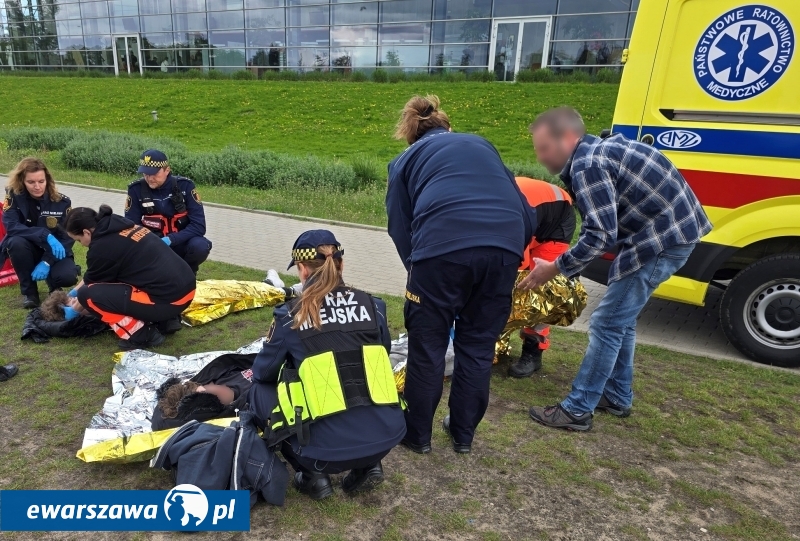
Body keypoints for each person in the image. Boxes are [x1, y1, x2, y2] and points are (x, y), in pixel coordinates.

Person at [522, 107, 712, 431]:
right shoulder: (598, 151)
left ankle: (578, 409)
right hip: (664, 233)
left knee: (606, 323)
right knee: (620, 320)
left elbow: (600, 234)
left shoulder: (587, 164)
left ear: (568, 138)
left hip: (662, 240)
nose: (541, 158)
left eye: (545, 148)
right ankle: (617, 395)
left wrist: (554, 268)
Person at [386, 95, 535, 454]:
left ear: (411, 136)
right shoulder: (482, 145)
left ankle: (418, 436)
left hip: (439, 253)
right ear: (448, 127)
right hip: (503, 251)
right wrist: (507, 255)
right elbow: (526, 213)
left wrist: (418, 270)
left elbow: (400, 226)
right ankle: (463, 434)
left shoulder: (405, 159)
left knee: (428, 348)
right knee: (478, 347)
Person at [249, 230, 406, 500]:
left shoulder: (291, 314)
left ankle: (313, 477)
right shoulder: (375, 305)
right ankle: (369, 464)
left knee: (258, 390)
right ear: (341, 264)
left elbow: (263, 372)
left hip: (322, 454)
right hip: (386, 438)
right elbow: (383, 353)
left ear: (302, 269)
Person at [63, 204, 196, 349]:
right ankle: (166, 320)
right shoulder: (118, 225)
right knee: (113, 284)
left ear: (86, 232)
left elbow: (91, 286)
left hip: (169, 301)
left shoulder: (101, 247)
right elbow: (94, 275)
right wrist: (73, 292)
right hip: (186, 289)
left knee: (87, 296)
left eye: (78, 240)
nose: (81, 245)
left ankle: (142, 334)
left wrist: (75, 309)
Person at [508, 176, 576, 378]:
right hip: (533, 214)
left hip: (556, 221)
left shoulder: (509, 224)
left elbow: (513, 275)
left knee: (538, 288)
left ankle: (533, 350)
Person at [1, 157, 79, 309]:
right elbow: (11, 226)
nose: (37, 186)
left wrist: (47, 261)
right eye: (31, 182)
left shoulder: (62, 202)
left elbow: (66, 237)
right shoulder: (14, 198)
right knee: (15, 242)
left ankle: (54, 286)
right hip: (27, 249)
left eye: (41, 181)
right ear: (22, 181)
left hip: (53, 251)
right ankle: (30, 294)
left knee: (67, 277)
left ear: (47, 180)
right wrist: (44, 234)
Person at [125, 149, 211, 274]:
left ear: (167, 170)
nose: (150, 178)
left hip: (182, 241)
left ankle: (188, 272)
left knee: (200, 246)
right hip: (153, 244)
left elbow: (199, 226)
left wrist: (171, 239)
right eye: (145, 174)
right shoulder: (135, 190)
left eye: (154, 173)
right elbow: (132, 226)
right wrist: (152, 242)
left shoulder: (185, 186)